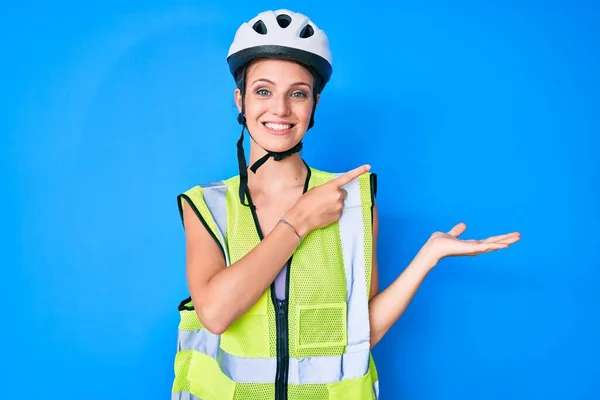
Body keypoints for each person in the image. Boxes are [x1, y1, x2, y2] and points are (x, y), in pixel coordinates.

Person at [171, 9, 520, 400]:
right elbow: (215, 314)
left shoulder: (354, 201)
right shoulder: (207, 204)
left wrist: (427, 257)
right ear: (241, 99)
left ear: (314, 103)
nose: (281, 109)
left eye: (298, 93)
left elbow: (362, 333)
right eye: (264, 91)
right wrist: (298, 222)